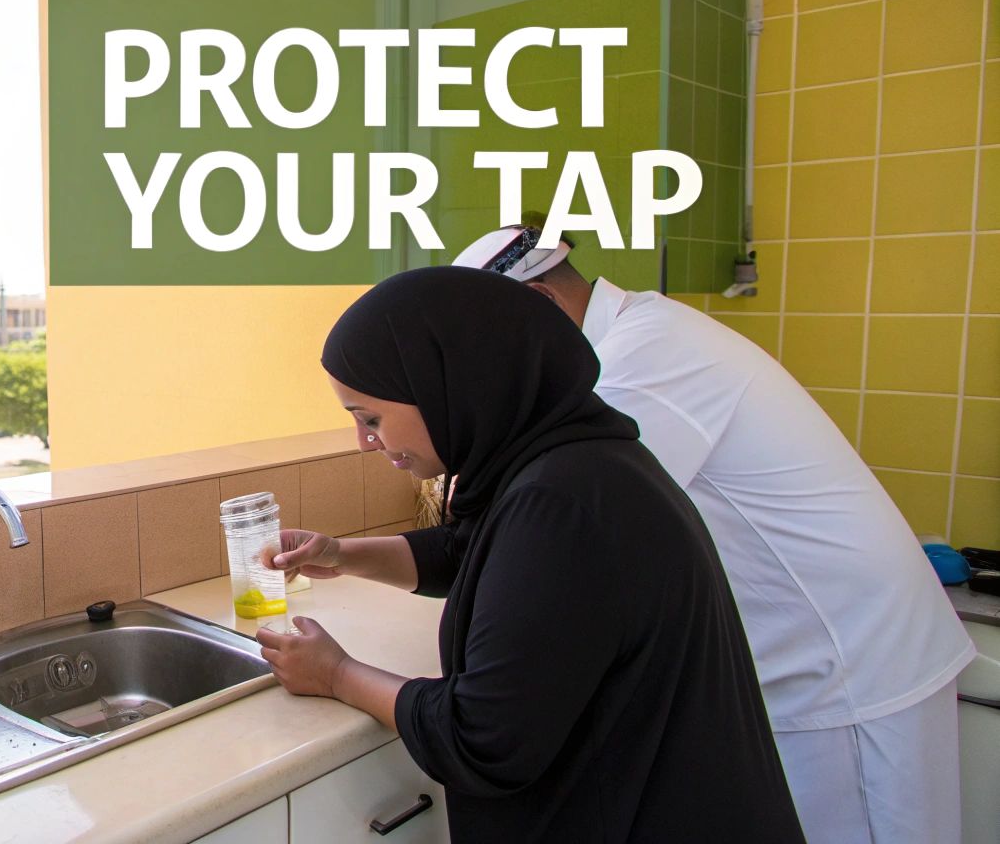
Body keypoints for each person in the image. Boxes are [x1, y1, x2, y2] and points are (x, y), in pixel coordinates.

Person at [451, 223, 973, 844]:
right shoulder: (639, 334)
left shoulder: (640, 361)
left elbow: (561, 526)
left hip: (847, 664)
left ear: (541, 306)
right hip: (824, 648)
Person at [257, 267, 804, 843]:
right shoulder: (577, 457)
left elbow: (481, 740)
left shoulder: (559, 506)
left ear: (446, 384)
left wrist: (337, 674)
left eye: (371, 418)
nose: (365, 442)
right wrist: (342, 554)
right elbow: (471, 550)